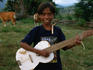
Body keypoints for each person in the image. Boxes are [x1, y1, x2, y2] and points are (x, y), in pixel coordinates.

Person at [20, 2, 82, 70]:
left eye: (49, 14)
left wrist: (74, 43)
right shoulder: (36, 30)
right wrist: (39, 52)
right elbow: (23, 44)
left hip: (55, 67)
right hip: (39, 67)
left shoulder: (57, 30)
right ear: (39, 15)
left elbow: (65, 47)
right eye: (43, 14)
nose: (46, 17)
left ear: (53, 15)